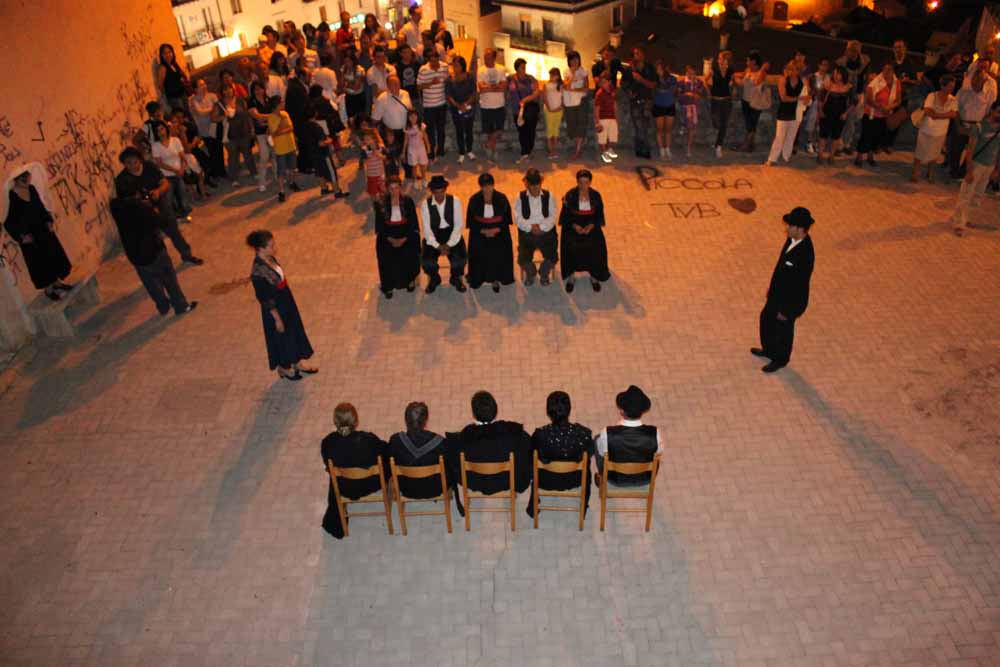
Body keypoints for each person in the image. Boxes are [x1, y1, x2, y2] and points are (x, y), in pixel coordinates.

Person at [751, 207, 816, 373]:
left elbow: (799, 285)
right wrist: (772, 288)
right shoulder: (791, 240)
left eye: (790, 226)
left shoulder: (806, 253)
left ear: (800, 229)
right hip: (777, 295)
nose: (786, 228)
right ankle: (769, 350)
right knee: (766, 319)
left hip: (790, 302)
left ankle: (780, 359)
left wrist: (786, 310)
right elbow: (780, 268)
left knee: (783, 330)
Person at [446, 390, 532, 514]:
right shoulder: (513, 432)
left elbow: (453, 462)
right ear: (496, 409)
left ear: (473, 413)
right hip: (505, 480)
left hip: (475, 481)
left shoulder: (465, 437)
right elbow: (528, 452)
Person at [109, 194, 197, 316]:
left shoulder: (117, 207)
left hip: (135, 255)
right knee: (169, 279)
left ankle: (163, 306)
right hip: (153, 250)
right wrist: (153, 209)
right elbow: (161, 222)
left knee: (151, 283)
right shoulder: (141, 208)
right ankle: (181, 305)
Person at [246, 229, 316, 381]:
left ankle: (297, 362)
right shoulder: (257, 272)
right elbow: (264, 298)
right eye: (271, 246)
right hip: (275, 309)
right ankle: (284, 368)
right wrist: (277, 319)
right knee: (281, 338)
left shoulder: (269, 258)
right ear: (261, 248)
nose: (274, 248)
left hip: (285, 300)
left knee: (294, 331)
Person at [115, 147, 203, 265]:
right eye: (128, 163)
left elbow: (165, 183)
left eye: (135, 162)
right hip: (144, 212)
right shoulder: (122, 179)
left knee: (174, 231)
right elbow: (125, 203)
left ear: (140, 160)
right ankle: (166, 264)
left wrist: (158, 191)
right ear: (124, 164)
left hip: (161, 204)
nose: (132, 166)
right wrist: (139, 201)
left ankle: (187, 255)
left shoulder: (149, 167)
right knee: (156, 240)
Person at [2, 167, 72, 301]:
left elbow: (40, 207)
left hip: (43, 230)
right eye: (23, 180)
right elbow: (8, 221)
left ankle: (57, 283)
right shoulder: (12, 198)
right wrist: (21, 237)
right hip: (30, 237)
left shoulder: (32, 189)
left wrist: (48, 220)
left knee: (52, 256)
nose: (26, 182)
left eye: (27, 178)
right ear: (16, 180)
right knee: (40, 263)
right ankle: (49, 289)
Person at [321, 403, 387, 539]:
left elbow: (327, 464)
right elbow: (385, 451)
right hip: (369, 485)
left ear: (335, 422)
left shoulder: (327, 443)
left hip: (344, 487)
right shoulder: (368, 439)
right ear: (355, 421)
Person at [526, 391, 594, 519]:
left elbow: (531, 456)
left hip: (546, 481)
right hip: (575, 479)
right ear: (569, 410)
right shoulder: (583, 434)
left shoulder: (540, 435)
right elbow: (589, 454)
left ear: (548, 412)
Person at [593, 385, 662, 487]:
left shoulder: (607, 433)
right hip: (644, 478)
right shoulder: (655, 433)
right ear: (642, 412)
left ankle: (601, 475)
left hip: (614, 478)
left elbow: (602, 453)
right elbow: (659, 452)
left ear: (621, 411)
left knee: (597, 439)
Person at [951, 103, 1000, 236]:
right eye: (998, 112)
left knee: (977, 195)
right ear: (992, 110)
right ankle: (959, 223)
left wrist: (996, 169)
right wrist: (969, 170)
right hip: (977, 164)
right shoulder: (979, 127)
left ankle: (966, 218)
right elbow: (970, 150)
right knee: (966, 194)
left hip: (989, 166)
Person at [559, 169, 609, 293]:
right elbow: (565, 216)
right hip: (573, 227)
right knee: (571, 246)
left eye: (586, 182)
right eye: (580, 183)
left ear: (590, 182)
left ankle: (594, 275)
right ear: (577, 182)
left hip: (590, 226)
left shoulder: (596, 196)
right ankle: (571, 276)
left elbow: (599, 215)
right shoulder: (570, 195)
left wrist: (591, 226)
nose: (583, 186)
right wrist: (574, 226)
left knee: (596, 246)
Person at [387, 402, 450, 499]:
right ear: (425, 421)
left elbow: (388, 463)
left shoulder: (395, 441)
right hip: (435, 488)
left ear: (406, 420)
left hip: (406, 488)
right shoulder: (440, 442)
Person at [465, 172, 514, 292]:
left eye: (489, 186)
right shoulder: (474, 200)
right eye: (484, 186)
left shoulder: (502, 198)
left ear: (493, 185)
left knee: (498, 250)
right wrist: (483, 231)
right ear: (480, 187)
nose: (487, 189)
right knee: (478, 250)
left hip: (499, 231)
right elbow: (471, 222)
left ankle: (496, 278)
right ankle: (478, 278)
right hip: (480, 232)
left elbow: (506, 219)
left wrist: (496, 230)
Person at [419, 175, 467, 293]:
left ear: (445, 190)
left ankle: (455, 278)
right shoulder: (425, 204)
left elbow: (458, 226)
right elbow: (427, 230)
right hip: (434, 235)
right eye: (436, 193)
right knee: (427, 261)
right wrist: (438, 246)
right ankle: (434, 279)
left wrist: (449, 244)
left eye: (441, 192)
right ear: (432, 192)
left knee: (460, 259)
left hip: (452, 233)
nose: (439, 196)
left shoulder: (455, 201)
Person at [374, 176, 420, 297]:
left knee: (410, 254)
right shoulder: (380, 203)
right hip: (388, 235)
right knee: (385, 256)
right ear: (387, 189)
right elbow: (379, 225)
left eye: (396, 188)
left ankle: (409, 280)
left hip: (405, 233)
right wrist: (391, 239)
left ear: (400, 187)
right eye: (391, 188)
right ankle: (388, 285)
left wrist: (404, 239)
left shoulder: (408, 201)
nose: (394, 191)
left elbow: (413, 222)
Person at [948, 70, 997, 179]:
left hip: (977, 127)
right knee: (955, 149)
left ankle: (963, 173)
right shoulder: (963, 91)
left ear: (984, 82)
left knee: (972, 151)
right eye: (974, 79)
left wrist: (981, 127)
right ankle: (954, 172)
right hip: (962, 123)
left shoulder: (988, 94)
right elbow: (955, 108)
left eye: (979, 80)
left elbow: (989, 111)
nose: (975, 82)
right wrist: (958, 125)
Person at [514, 168, 558, 287]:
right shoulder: (520, 197)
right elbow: (517, 218)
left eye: (537, 184)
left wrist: (542, 227)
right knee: (523, 257)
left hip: (546, 232)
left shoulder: (549, 196)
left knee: (552, 255)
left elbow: (553, 216)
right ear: (527, 184)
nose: (534, 188)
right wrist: (530, 227)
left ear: (541, 183)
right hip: (527, 233)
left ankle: (544, 272)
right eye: (532, 185)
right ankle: (531, 272)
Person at [854, 63, 901, 168]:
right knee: (866, 136)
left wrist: (889, 107)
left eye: (889, 70)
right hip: (871, 114)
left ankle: (870, 156)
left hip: (884, 115)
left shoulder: (896, 83)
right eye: (885, 69)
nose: (887, 72)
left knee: (877, 137)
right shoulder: (875, 82)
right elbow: (868, 99)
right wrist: (880, 107)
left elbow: (898, 100)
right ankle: (859, 157)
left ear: (893, 71)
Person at [912, 75, 958, 182]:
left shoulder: (953, 99)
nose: (952, 89)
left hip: (941, 131)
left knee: (935, 153)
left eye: (953, 86)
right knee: (920, 151)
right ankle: (915, 173)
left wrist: (937, 115)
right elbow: (928, 111)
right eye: (950, 86)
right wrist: (945, 115)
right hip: (927, 129)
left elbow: (954, 114)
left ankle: (930, 173)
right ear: (942, 86)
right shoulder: (932, 96)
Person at [300, 104, 348, 198]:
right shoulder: (316, 127)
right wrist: (330, 140)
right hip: (323, 154)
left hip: (313, 153)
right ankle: (337, 191)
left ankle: (324, 188)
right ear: (315, 114)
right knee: (331, 172)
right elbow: (321, 143)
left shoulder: (304, 126)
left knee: (319, 172)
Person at [149, 121, 194, 219]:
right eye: (158, 131)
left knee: (183, 195)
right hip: (166, 175)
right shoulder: (155, 146)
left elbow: (182, 157)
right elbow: (159, 163)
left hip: (179, 172)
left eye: (162, 129)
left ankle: (185, 213)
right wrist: (174, 170)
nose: (161, 132)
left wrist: (182, 169)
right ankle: (172, 216)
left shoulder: (175, 140)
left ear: (166, 129)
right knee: (169, 198)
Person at [766, 61, 805, 166]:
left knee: (791, 137)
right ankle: (772, 158)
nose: (792, 71)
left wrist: (805, 98)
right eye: (790, 69)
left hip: (796, 112)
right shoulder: (783, 79)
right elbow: (783, 98)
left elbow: (807, 96)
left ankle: (786, 157)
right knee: (779, 136)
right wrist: (798, 99)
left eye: (795, 69)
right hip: (784, 111)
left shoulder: (802, 81)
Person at [835, 40, 871, 153]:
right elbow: (836, 79)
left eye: (854, 50)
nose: (851, 52)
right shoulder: (840, 62)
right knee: (841, 120)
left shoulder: (865, 61)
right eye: (850, 50)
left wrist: (864, 96)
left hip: (858, 94)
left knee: (851, 121)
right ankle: (838, 145)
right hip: (844, 94)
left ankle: (846, 144)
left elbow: (866, 79)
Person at [188, 78, 225, 180]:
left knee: (219, 149)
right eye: (201, 85)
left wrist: (209, 111)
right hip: (204, 130)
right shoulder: (193, 100)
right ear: (195, 89)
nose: (204, 86)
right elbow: (200, 113)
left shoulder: (212, 96)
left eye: (204, 84)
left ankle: (221, 171)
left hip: (215, 127)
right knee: (212, 151)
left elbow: (219, 108)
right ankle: (216, 172)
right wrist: (212, 110)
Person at [266, 96, 301, 202]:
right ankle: (281, 191)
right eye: (281, 102)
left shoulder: (285, 113)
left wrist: (282, 130)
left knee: (293, 167)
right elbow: (275, 133)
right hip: (280, 149)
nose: (283, 103)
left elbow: (291, 127)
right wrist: (282, 123)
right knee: (281, 171)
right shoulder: (271, 117)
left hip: (291, 145)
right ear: (276, 105)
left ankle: (292, 182)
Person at [624, 46, 657, 159]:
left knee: (646, 126)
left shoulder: (650, 68)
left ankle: (644, 149)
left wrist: (641, 79)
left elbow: (653, 85)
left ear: (643, 54)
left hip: (647, 100)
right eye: (635, 54)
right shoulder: (630, 69)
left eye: (638, 53)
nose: (637, 56)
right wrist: (629, 92)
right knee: (638, 126)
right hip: (635, 101)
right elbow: (624, 84)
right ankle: (640, 149)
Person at [817, 66, 855, 164]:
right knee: (823, 135)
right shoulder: (828, 85)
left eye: (837, 73)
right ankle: (820, 155)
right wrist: (820, 111)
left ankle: (831, 156)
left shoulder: (849, 87)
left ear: (842, 74)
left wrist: (846, 113)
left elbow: (853, 103)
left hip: (840, 115)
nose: (835, 75)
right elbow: (820, 99)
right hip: (826, 113)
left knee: (836, 136)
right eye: (834, 73)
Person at [417, 48, 449, 160]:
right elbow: (419, 86)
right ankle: (431, 152)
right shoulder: (423, 69)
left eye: (436, 61)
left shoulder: (444, 67)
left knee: (441, 129)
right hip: (429, 106)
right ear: (429, 60)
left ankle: (440, 150)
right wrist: (431, 83)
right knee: (430, 131)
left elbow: (448, 80)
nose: (435, 64)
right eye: (432, 61)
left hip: (441, 104)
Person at [222, 86, 257, 186]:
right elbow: (213, 118)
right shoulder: (220, 104)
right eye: (225, 89)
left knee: (248, 154)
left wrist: (251, 128)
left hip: (243, 132)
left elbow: (247, 114)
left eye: (229, 89)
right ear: (222, 92)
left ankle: (253, 172)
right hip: (230, 135)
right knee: (233, 157)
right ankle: (234, 178)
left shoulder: (240, 101)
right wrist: (224, 115)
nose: (228, 91)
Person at [735, 52, 769, 153]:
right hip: (745, 100)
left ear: (753, 61)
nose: (746, 62)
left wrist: (762, 69)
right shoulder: (747, 70)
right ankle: (750, 145)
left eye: (748, 60)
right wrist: (734, 76)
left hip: (755, 102)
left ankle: (745, 145)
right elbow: (742, 78)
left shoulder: (762, 73)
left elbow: (757, 81)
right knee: (749, 124)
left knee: (752, 125)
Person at [509, 58, 541, 163]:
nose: (524, 69)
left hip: (530, 109)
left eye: (524, 67)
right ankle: (525, 153)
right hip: (517, 110)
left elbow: (536, 92)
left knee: (530, 131)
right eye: (522, 67)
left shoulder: (530, 79)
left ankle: (527, 152)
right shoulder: (510, 78)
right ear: (517, 68)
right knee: (522, 131)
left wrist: (525, 100)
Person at [478, 48, 508, 161]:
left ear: (494, 58)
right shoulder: (480, 70)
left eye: (489, 58)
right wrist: (496, 87)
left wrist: (489, 87)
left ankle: (488, 145)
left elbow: (504, 87)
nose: (486, 60)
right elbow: (481, 88)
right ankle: (492, 150)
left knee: (499, 129)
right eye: (485, 57)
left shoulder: (501, 69)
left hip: (499, 104)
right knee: (489, 130)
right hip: (486, 105)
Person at [446, 56, 477, 163]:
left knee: (469, 130)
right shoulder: (450, 79)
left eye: (457, 66)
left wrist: (466, 104)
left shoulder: (469, 77)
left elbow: (474, 93)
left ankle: (469, 150)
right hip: (456, 108)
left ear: (462, 66)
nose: (455, 68)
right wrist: (458, 105)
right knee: (459, 130)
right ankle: (461, 152)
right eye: (454, 65)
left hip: (468, 106)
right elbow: (449, 96)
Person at [706, 50, 734, 158]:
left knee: (724, 124)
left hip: (726, 100)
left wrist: (734, 86)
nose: (718, 60)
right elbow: (705, 80)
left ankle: (718, 146)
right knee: (715, 121)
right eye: (718, 58)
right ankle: (718, 142)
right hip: (715, 100)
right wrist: (708, 91)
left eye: (720, 58)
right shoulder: (714, 70)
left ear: (726, 60)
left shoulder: (730, 70)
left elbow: (733, 81)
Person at [246, 81, 273, 193]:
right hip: (261, 133)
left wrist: (266, 119)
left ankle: (277, 176)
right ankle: (262, 182)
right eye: (256, 89)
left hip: (271, 131)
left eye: (260, 88)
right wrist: (272, 116)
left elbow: (275, 112)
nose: (258, 91)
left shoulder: (268, 99)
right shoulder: (251, 102)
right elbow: (257, 117)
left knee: (275, 155)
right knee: (264, 156)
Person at [563, 51, 590, 159]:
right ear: (569, 61)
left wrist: (574, 90)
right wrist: (573, 74)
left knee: (581, 124)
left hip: (581, 101)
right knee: (572, 124)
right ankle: (580, 142)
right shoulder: (566, 71)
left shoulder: (584, 71)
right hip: (569, 102)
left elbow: (586, 88)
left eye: (576, 59)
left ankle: (578, 150)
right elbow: (566, 86)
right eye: (572, 59)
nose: (575, 61)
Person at [676, 65, 707, 158]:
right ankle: (683, 125)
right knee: (689, 126)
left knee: (692, 128)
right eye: (690, 73)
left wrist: (698, 95)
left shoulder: (699, 82)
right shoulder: (682, 82)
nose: (692, 75)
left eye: (693, 73)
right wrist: (686, 94)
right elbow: (678, 96)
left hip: (694, 108)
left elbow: (703, 93)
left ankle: (689, 148)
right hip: (684, 107)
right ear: (686, 73)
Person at [652, 60, 678, 159]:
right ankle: (661, 149)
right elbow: (654, 89)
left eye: (660, 69)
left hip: (669, 105)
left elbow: (673, 90)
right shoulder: (655, 79)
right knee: (659, 129)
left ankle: (667, 148)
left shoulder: (672, 78)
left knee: (668, 129)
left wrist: (664, 88)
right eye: (657, 69)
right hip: (658, 105)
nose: (658, 71)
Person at [156, 44, 189, 112]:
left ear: (172, 52)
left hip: (182, 93)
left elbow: (181, 75)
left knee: (188, 112)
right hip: (174, 98)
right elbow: (160, 85)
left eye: (169, 52)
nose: (168, 55)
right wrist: (169, 92)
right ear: (161, 55)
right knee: (181, 115)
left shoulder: (174, 64)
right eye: (165, 53)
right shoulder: (162, 68)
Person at [594, 72, 619, 163]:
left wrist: (616, 118)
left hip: (612, 117)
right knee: (602, 138)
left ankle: (609, 150)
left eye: (604, 82)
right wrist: (597, 122)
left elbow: (615, 105)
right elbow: (596, 109)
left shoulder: (612, 90)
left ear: (609, 82)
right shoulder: (599, 93)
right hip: (603, 118)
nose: (602, 84)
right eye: (601, 82)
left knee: (613, 137)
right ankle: (604, 153)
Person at [403, 110, 430, 190]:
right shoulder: (407, 128)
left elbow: (425, 136)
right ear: (408, 118)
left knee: (423, 165)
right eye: (411, 116)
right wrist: (403, 151)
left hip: (421, 149)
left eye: (414, 116)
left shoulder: (421, 126)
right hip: (412, 150)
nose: (413, 118)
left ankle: (424, 179)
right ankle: (415, 181)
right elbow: (406, 140)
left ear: (418, 117)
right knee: (414, 167)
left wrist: (428, 146)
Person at [542, 67, 564, 160]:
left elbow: (563, 98)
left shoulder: (561, 86)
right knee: (549, 131)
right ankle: (550, 151)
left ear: (558, 76)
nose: (552, 77)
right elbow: (545, 98)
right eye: (551, 75)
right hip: (549, 110)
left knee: (556, 131)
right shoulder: (546, 85)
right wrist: (549, 108)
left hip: (559, 110)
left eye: (554, 75)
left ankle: (554, 150)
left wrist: (560, 107)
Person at [340, 53, 367, 124]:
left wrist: (346, 83)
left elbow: (356, 87)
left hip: (358, 97)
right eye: (345, 61)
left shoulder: (359, 69)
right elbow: (341, 83)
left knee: (359, 119)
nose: (347, 63)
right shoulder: (343, 68)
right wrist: (351, 82)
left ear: (353, 61)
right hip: (349, 96)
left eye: (348, 61)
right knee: (350, 118)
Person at [396, 45, 422, 109]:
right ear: (401, 54)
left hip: (415, 96)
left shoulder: (416, 65)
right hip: (403, 96)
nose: (407, 54)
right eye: (405, 52)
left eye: (409, 52)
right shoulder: (397, 67)